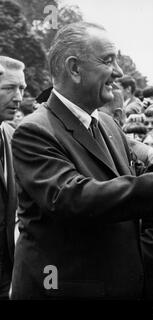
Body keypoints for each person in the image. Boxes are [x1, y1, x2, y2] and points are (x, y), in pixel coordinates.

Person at [10, 22, 153, 299]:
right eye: (108, 61)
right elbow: (71, 197)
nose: (119, 72)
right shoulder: (34, 131)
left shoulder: (107, 123)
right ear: (74, 68)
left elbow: (134, 180)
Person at [0, 56, 26, 299]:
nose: (18, 97)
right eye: (9, 88)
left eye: (22, 88)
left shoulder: (12, 134)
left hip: (7, 268)